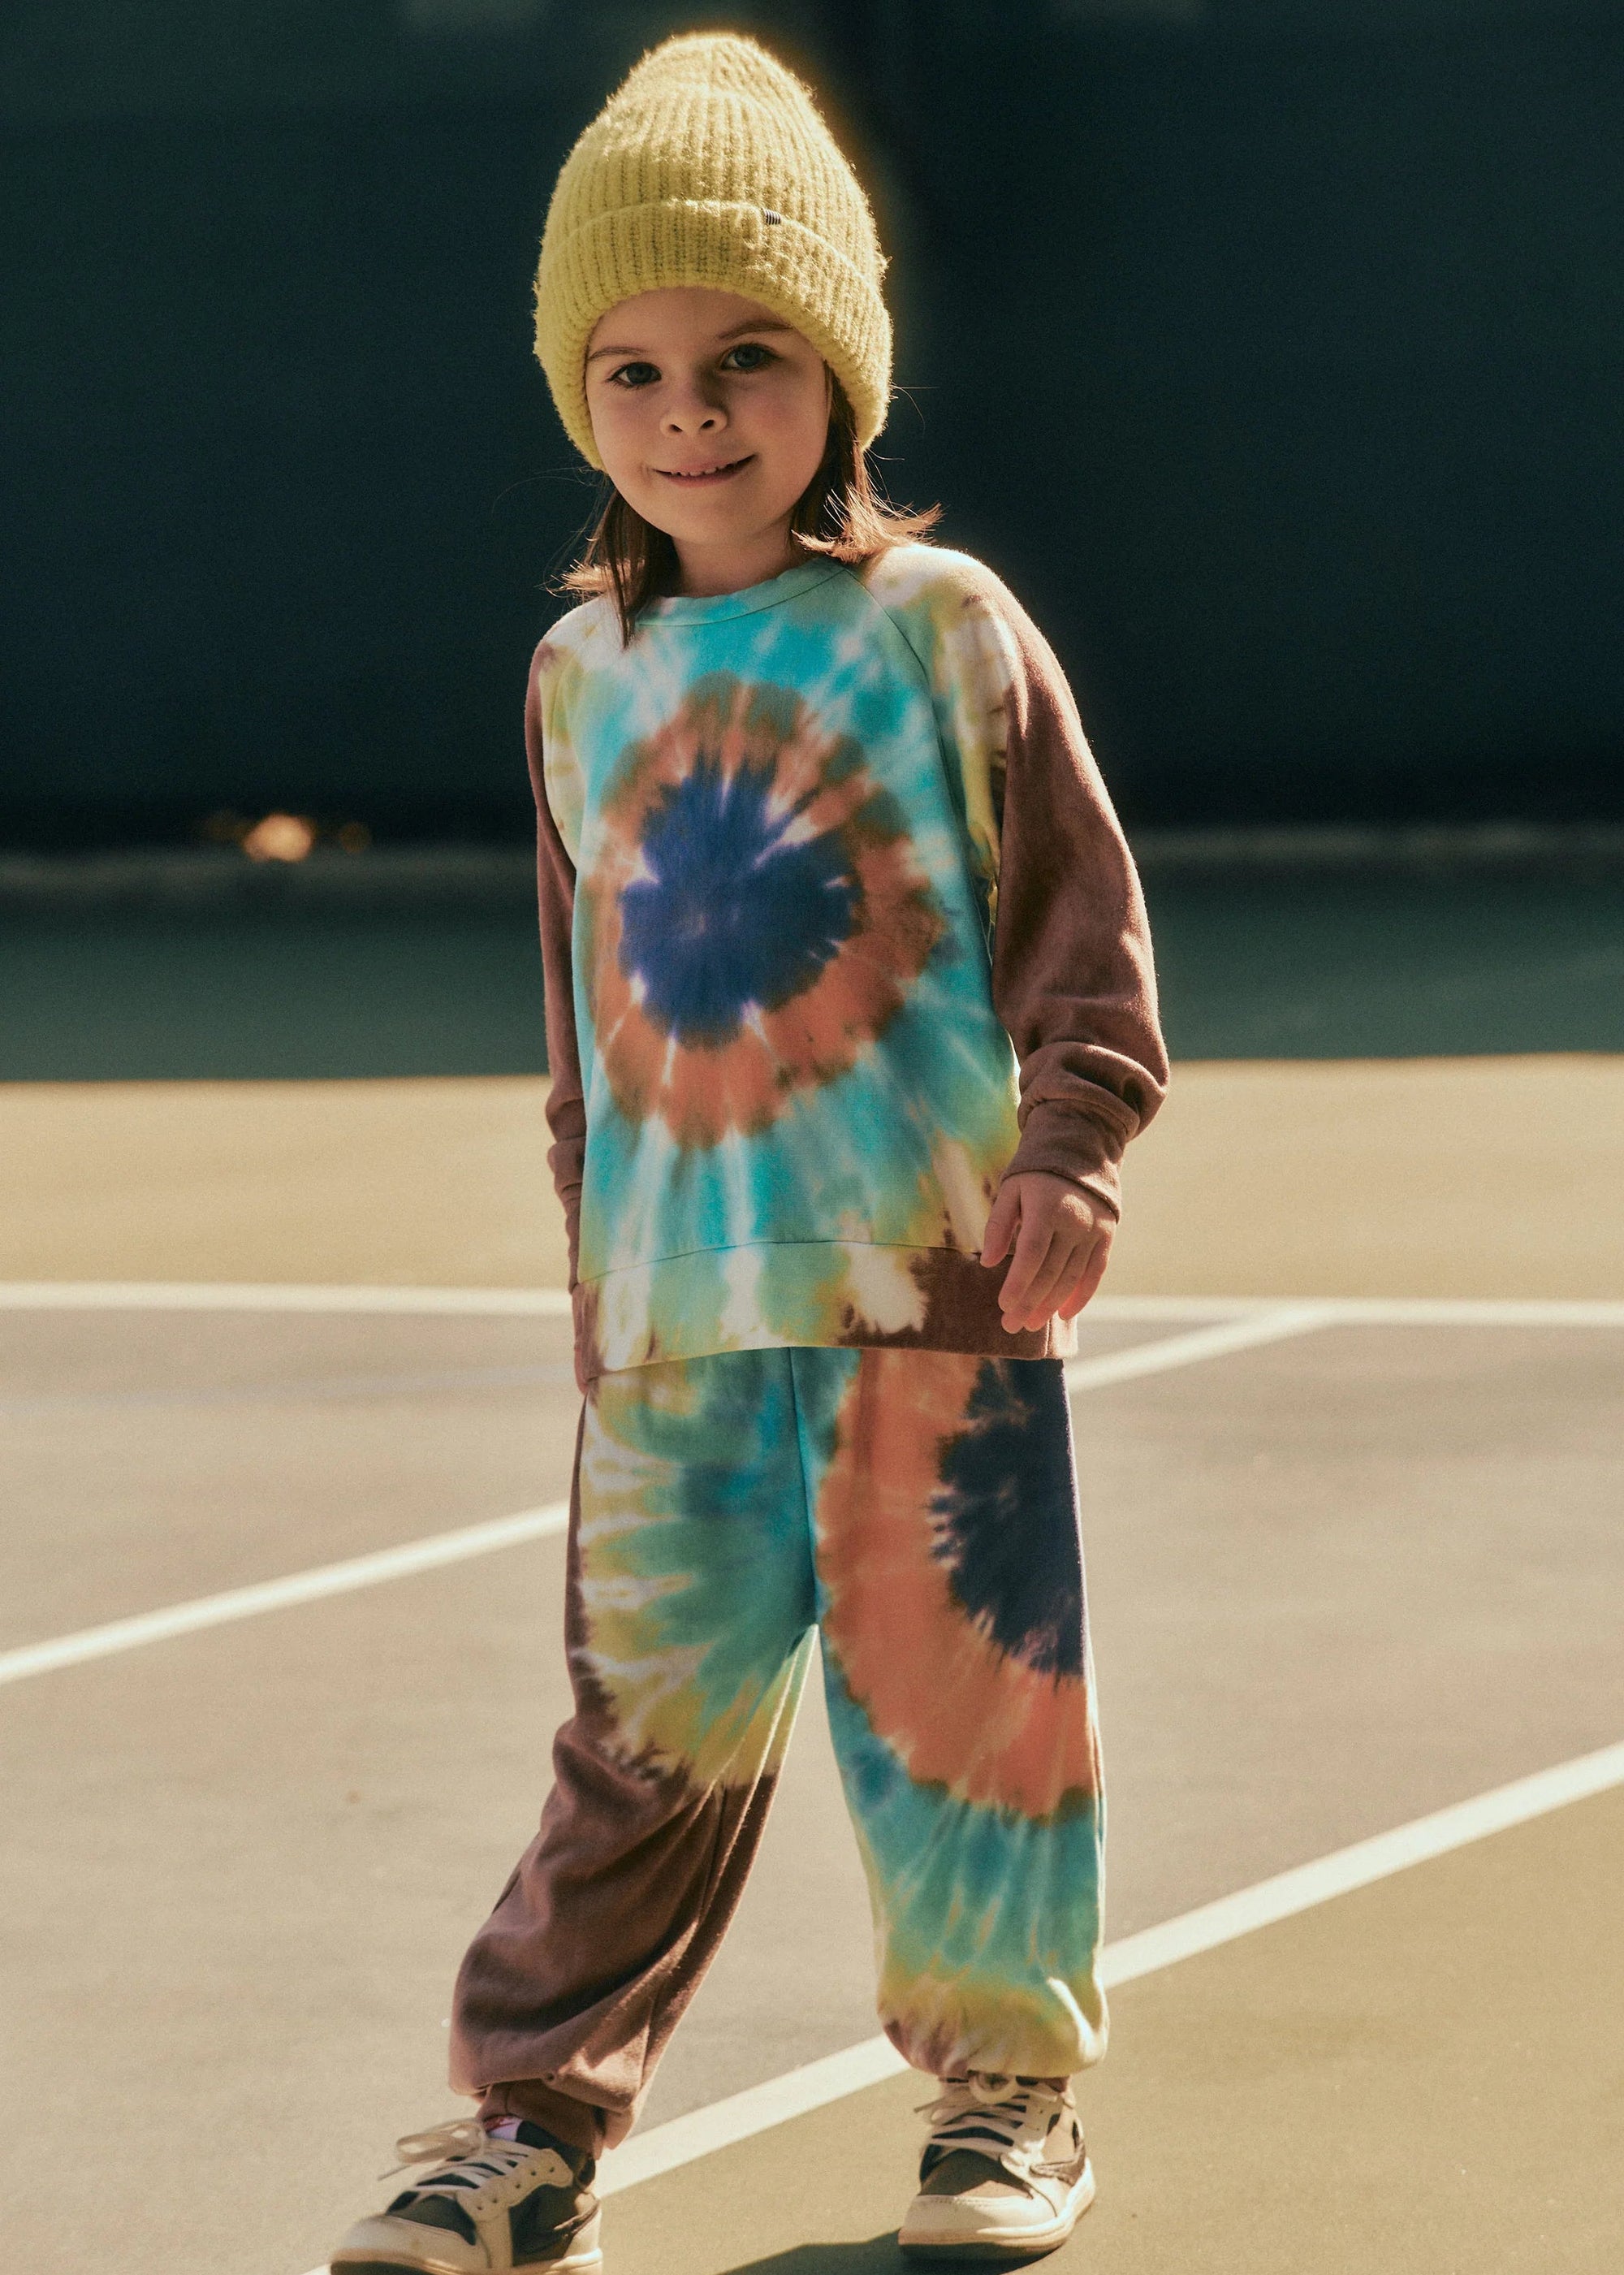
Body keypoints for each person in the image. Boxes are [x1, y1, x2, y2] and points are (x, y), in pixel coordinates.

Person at [331, 32, 1166, 2273]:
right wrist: (593, 1273)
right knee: (636, 1750)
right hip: (672, 1328)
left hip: (931, 1298)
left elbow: (1075, 922)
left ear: (838, 374)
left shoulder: (945, 626)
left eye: (745, 358)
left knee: (970, 1725)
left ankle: (1005, 2096)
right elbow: (580, 1028)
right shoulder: (572, 677)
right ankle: (526, 2138)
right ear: (579, 397)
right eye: (633, 370)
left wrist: (1073, 1143)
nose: (689, 412)